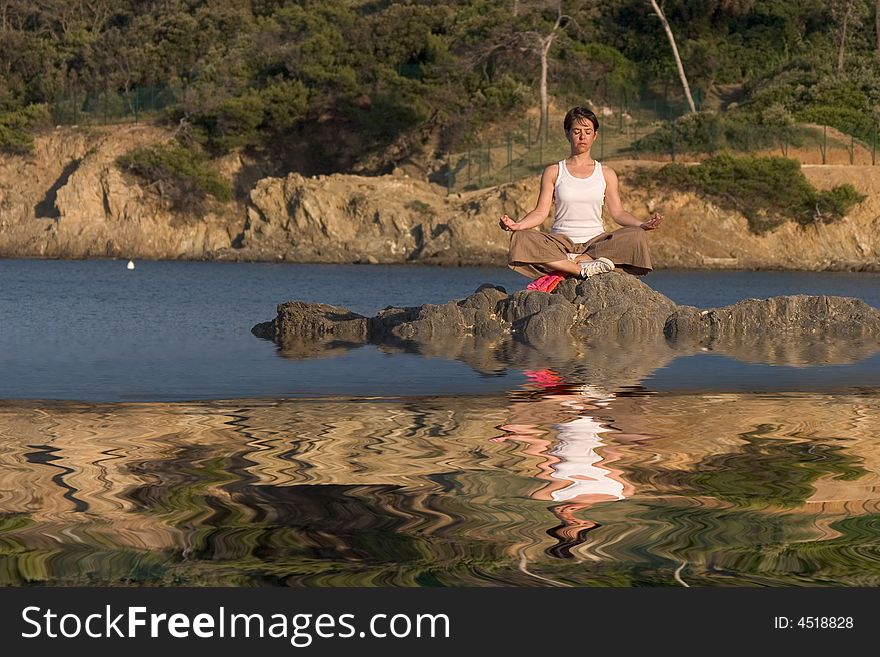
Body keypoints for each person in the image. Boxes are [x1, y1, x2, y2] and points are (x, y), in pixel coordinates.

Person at [501, 106, 662, 280]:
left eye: (588, 131)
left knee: (637, 235)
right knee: (521, 237)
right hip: (560, 244)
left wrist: (641, 225)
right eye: (577, 131)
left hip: (596, 244)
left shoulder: (606, 173)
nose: (582, 136)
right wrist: (518, 225)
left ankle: (579, 260)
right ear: (567, 133)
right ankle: (579, 269)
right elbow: (540, 212)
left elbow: (618, 213)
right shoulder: (554, 171)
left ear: (595, 135)